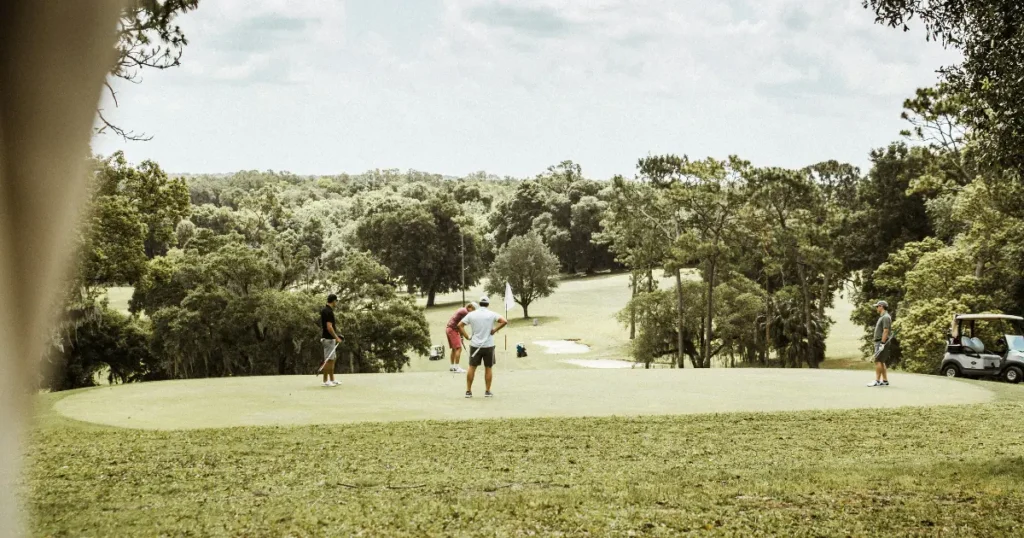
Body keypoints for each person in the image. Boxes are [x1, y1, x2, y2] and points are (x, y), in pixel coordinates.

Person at [458, 296, 507, 398]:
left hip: (475, 345)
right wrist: (494, 330)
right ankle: (487, 391)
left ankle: (468, 391)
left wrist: (467, 336)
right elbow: (504, 321)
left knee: (472, 367)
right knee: (488, 368)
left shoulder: (472, 314)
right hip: (489, 345)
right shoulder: (492, 314)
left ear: (479, 304)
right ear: (488, 304)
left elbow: (459, 325)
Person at [445, 303, 476, 373]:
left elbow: (460, 325)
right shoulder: (465, 312)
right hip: (452, 330)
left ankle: (452, 367)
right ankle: (456, 368)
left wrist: (461, 337)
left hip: (449, 329)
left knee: (454, 349)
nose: (472, 312)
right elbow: (460, 326)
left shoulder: (462, 309)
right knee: (459, 348)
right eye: (473, 310)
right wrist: (467, 337)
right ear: (470, 307)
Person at [320, 294, 343, 387]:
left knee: (332, 359)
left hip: (329, 339)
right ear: (333, 301)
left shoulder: (326, 310)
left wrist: (336, 336)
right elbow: (329, 327)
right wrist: (336, 337)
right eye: (336, 301)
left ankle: (332, 380)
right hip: (328, 339)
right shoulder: (328, 311)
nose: (336, 303)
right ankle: (325, 381)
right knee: (328, 360)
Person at [868, 300, 892, 387]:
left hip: (881, 342)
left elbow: (886, 331)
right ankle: (885, 380)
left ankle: (877, 381)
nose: (876, 308)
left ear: (881, 306)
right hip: (880, 341)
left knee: (878, 361)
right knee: (881, 361)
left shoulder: (885, 317)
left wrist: (882, 343)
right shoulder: (883, 316)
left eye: (877, 306)